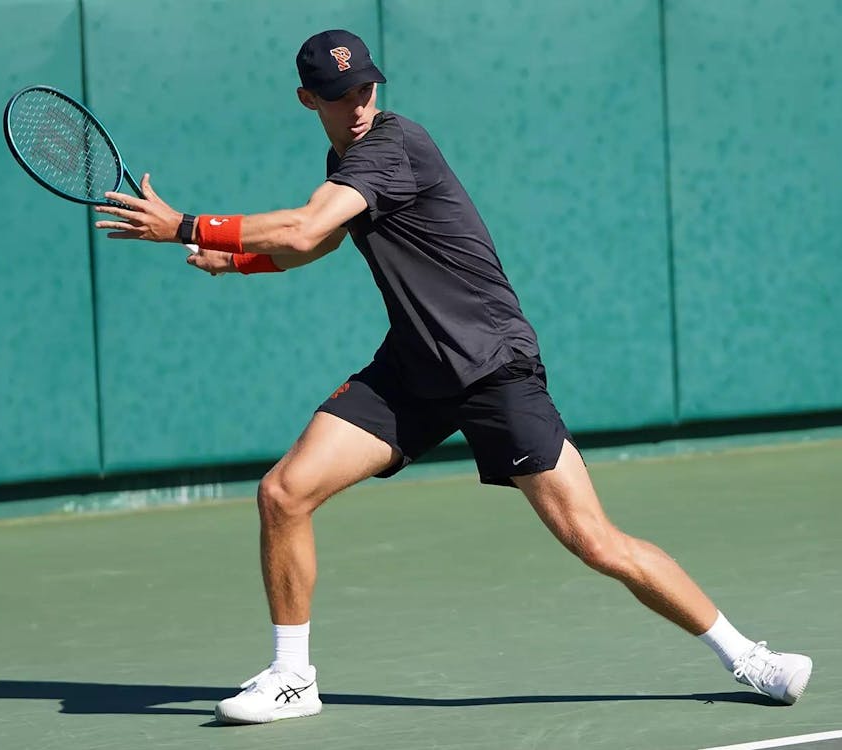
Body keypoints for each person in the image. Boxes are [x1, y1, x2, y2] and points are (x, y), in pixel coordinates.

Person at [93, 29, 813, 725]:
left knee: (594, 541)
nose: (359, 104)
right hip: (414, 368)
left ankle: (750, 659)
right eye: (341, 95)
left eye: (366, 87)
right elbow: (319, 241)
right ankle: (292, 678)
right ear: (308, 100)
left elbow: (307, 228)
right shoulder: (343, 162)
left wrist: (187, 226)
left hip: (492, 365)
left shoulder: (394, 144)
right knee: (284, 493)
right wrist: (238, 261)